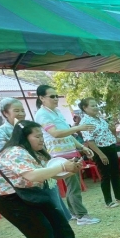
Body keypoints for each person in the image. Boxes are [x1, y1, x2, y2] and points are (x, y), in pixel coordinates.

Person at [0, 121, 95, 238]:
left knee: (58, 221)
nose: (41, 139)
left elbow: (50, 174)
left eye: (42, 136)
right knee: (40, 230)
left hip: (29, 191)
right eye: (37, 136)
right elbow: (32, 175)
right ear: (24, 137)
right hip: (6, 197)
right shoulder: (14, 152)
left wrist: (71, 169)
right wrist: (63, 166)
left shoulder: (36, 152)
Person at [33, 85, 100, 225]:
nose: (56, 99)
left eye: (56, 96)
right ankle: (82, 215)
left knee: (73, 185)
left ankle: (75, 213)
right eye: (52, 96)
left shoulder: (57, 112)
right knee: (74, 186)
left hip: (70, 152)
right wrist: (78, 128)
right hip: (59, 155)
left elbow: (67, 134)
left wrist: (82, 147)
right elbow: (55, 133)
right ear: (42, 98)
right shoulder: (42, 114)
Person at [78, 98, 120, 208]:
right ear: (85, 108)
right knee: (105, 175)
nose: (96, 107)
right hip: (100, 150)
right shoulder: (85, 122)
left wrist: (113, 130)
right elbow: (90, 141)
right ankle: (108, 201)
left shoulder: (100, 119)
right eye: (92, 105)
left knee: (115, 173)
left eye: (96, 105)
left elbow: (110, 134)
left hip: (111, 147)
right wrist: (101, 154)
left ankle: (119, 196)